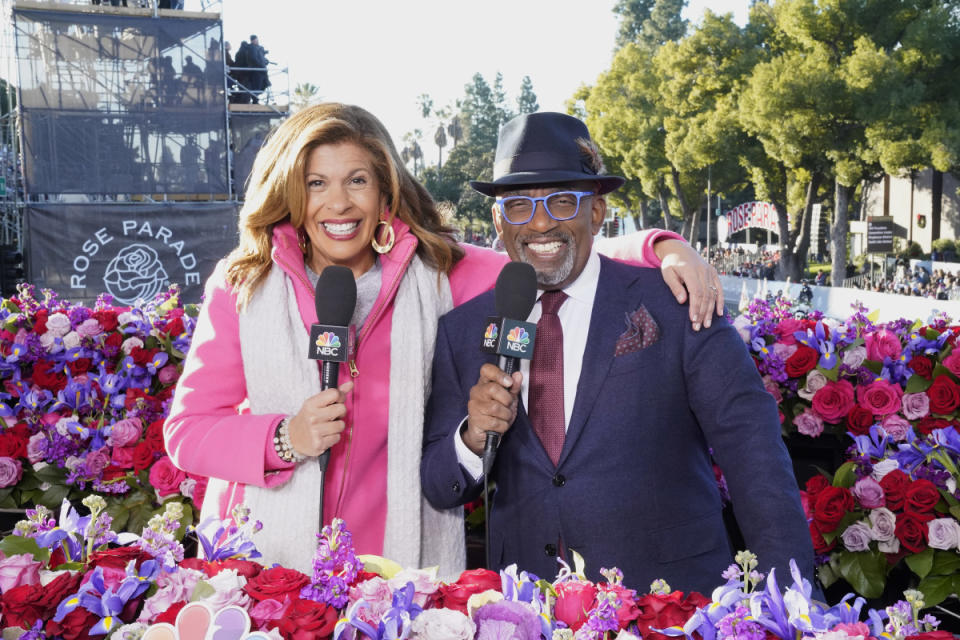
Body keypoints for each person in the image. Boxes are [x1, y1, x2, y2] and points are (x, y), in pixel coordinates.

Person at [164, 104, 722, 578]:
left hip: (394, 561)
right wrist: (284, 438)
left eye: (357, 180)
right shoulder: (243, 285)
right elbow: (187, 432)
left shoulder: (437, 272)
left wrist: (662, 246)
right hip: (267, 559)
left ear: (385, 192)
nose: (339, 204)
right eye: (317, 183)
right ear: (290, 191)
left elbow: (549, 253)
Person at [420, 112, 816, 594]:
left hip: (670, 605)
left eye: (563, 201)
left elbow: (755, 458)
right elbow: (440, 485)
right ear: (498, 222)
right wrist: (474, 435)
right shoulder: (462, 330)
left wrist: (792, 604)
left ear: (597, 212)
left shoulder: (677, 304)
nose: (541, 223)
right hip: (528, 606)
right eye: (519, 206)